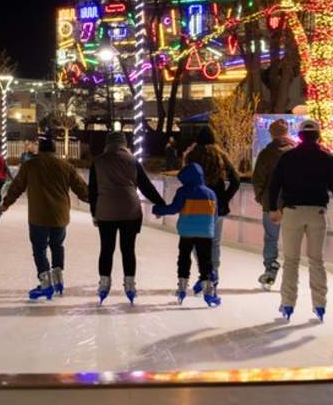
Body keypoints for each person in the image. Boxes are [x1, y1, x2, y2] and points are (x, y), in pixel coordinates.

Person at [269, 118, 333, 323]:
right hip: (317, 214)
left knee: (291, 261)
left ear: (299, 136)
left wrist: (273, 209)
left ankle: (287, 303)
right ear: (318, 135)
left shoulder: (287, 157)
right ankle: (319, 304)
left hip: (292, 213)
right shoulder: (328, 159)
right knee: (316, 260)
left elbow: (275, 185)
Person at [1, 135, 89, 300]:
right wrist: (96, 200)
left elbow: (17, 186)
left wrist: (6, 203)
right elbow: (82, 189)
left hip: (38, 217)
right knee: (57, 246)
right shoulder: (66, 166)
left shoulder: (30, 165)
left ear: (40, 150)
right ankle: (58, 279)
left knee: (39, 249)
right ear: (55, 150)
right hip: (59, 216)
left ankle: (45, 283)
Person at [90, 131, 165, 304]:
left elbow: (92, 191)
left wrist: (95, 213)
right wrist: (160, 204)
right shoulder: (133, 161)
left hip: (106, 212)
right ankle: (130, 284)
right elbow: (146, 187)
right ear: (124, 144)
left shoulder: (98, 162)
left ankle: (104, 283)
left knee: (106, 249)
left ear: (107, 143)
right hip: (130, 211)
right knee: (128, 249)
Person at [152, 162, 221, 307]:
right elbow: (215, 216)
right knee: (205, 262)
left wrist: (158, 209)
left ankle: (182, 287)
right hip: (205, 233)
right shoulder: (211, 193)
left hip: (186, 232)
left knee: (184, 258)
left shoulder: (183, 191)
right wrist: (210, 228)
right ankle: (208, 291)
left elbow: (174, 208)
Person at [185, 127, 240, 293]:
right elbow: (236, 180)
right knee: (214, 242)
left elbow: (186, 180)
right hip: (217, 205)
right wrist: (224, 198)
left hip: (196, 205)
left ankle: (205, 273)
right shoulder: (220, 156)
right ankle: (212, 272)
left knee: (196, 240)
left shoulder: (192, 156)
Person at [252, 118, 295, 289]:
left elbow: (258, 179)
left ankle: (271, 267)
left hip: (271, 204)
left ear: (271, 134)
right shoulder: (296, 152)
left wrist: (261, 198)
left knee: (271, 238)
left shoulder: (266, 153)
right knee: (292, 240)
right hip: (293, 204)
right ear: (287, 133)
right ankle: (291, 275)